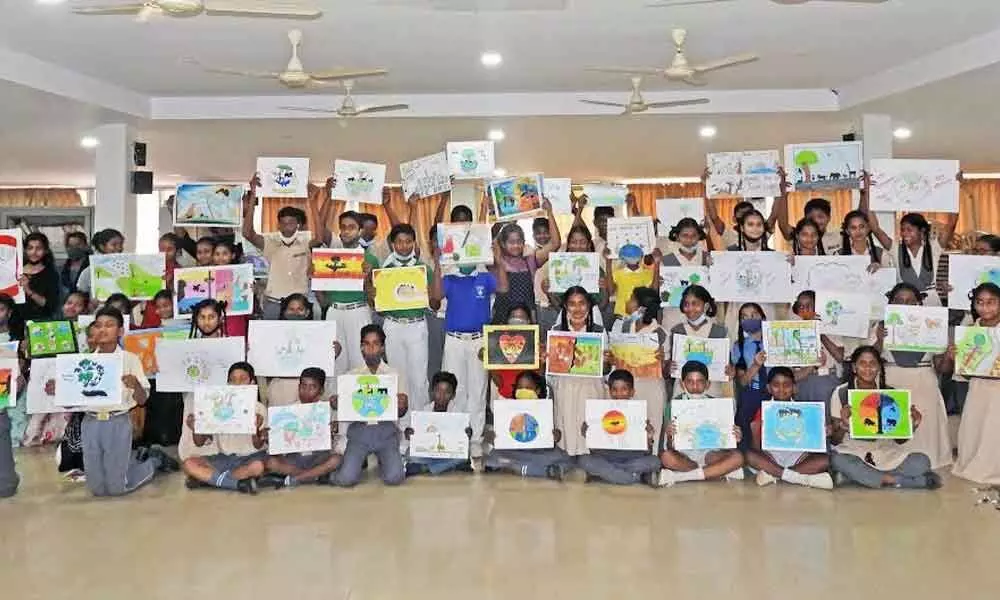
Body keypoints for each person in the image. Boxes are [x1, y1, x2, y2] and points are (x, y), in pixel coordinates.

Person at [44, 307, 178, 496]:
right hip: (90, 422)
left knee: (116, 488)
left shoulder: (129, 359)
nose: (103, 330)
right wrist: (58, 391)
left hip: (118, 421)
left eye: (109, 325)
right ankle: (131, 462)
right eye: (98, 325)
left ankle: (153, 462)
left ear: (120, 331)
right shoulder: (85, 362)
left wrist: (136, 385)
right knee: (97, 490)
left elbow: (142, 400)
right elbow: (71, 403)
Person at [432, 239, 506, 460]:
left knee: (478, 389)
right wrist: (438, 263)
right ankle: (456, 434)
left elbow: (503, 287)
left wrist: (498, 260)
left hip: (478, 340)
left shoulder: (484, 276)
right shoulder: (451, 278)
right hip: (454, 339)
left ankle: (474, 439)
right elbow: (435, 296)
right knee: (455, 389)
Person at [829, 346, 941, 490]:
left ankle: (859, 477)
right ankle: (897, 480)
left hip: (885, 452)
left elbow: (899, 441)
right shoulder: (841, 393)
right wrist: (843, 426)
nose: (868, 368)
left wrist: (913, 425)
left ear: (879, 368)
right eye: (862, 363)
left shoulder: (891, 394)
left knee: (922, 461)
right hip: (854, 451)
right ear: (854, 368)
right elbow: (835, 440)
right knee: (837, 459)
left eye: (873, 363)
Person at [869, 283, 953, 469]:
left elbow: (943, 369)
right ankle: (893, 464)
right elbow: (868, 360)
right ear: (890, 303)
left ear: (919, 304)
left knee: (924, 427)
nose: (904, 304)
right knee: (895, 425)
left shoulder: (932, 325)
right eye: (898, 300)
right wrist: (880, 340)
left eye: (910, 301)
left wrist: (948, 355)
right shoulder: (880, 326)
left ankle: (927, 463)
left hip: (923, 381)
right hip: (892, 381)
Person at [372, 223, 438, 413]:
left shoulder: (422, 269)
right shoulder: (385, 269)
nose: (404, 246)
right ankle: (400, 425)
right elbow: (381, 308)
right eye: (399, 242)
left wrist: (427, 293)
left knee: (418, 378)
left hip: (416, 325)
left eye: (408, 241)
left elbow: (435, 303)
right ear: (392, 244)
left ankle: (420, 421)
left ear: (414, 243)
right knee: (397, 376)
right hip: (392, 325)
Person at [241, 176, 328, 320]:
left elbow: (319, 238)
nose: (287, 226)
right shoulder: (270, 240)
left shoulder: (306, 239)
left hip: (300, 305)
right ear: (278, 225)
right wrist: (253, 195)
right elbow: (247, 233)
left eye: (291, 222)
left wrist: (312, 201)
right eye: (283, 223)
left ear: (298, 224)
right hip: (274, 303)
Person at [332, 324, 408, 487]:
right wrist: (338, 403)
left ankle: (385, 459)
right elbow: (345, 408)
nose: (371, 348)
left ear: (382, 348)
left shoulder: (394, 375)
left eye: (375, 344)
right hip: (360, 431)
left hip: (385, 431)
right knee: (346, 480)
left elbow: (401, 412)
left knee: (394, 478)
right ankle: (350, 464)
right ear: (361, 348)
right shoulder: (351, 376)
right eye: (366, 344)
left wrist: (402, 405)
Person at [180, 362, 267, 494]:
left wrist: (255, 429)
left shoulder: (259, 408)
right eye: (232, 380)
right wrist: (195, 427)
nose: (237, 384)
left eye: (242, 379)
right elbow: (200, 442)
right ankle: (237, 483)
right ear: (227, 384)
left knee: (258, 467)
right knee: (188, 464)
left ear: (252, 383)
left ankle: (210, 480)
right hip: (223, 458)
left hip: (250, 457)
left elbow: (258, 445)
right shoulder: (217, 406)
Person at [657, 361, 745, 487]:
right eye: (690, 381)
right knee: (666, 457)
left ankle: (680, 477)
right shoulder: (673, 406)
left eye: (700, 381)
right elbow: (669, 447)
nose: (695, 386)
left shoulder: (717, 404)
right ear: (682, 384)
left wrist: (735, 436)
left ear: (708, 384)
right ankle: (716, 471)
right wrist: (670, 435)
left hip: (710, 455)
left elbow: (726, 443)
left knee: (738, 457)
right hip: (685, 456)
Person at [746, 367, 833, 490]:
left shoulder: (806, 410)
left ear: (794, 388)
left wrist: (821, 433)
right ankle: (798, 478)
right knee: (750, 455)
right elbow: (756, 449)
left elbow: (812, 445)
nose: (781, 389)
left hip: (798, 456)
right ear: (769, 388)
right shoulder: (763, 410)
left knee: (825, 460)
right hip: (771, 457)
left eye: (786, 385)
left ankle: (776, 475)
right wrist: (755, 432)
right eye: (776, 385)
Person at [549, 287, 609, 457]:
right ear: (566, 307)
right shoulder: (557, 330)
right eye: (572, 304)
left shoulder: (598, 331)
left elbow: (605, 370)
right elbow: (551, 368)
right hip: (565, 386)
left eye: (582, 303)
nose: (577, 309)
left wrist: (606, 362)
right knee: (566, 424)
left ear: (589, 306)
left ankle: (588, 460)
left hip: (590, 387)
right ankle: (566, 458)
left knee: (587, 428)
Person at [577, 369, 661, 485]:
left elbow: (647, 451)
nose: (619, 394)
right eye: (614, 390)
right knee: (584, 460)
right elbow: (593, 448)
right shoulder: (600, 411)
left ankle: (608, 474)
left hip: (632, 458)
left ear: (632, 392)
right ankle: (634, 477)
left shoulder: (638, 412)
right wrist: (587, 432)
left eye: (624, 389)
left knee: (655, 461)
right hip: (606, 457)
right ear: (610, 391)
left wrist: (649, 438)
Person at [262, 368, 342, 487]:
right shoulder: (289, 410)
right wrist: (272, 436)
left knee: (337, 459)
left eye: (312, 387)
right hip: (295, 458)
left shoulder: (327, 410)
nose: (306, 391)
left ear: (321, 390)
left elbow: (335, 441)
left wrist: (332, 431)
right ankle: (313, 476)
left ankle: (297, 478)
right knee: (270, 462)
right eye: (303, 386)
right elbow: (281, 441)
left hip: (318, 457)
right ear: (298, 387)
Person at [953, 282, 1000, 484]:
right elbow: (965, 372)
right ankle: (972, 463)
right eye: (980, 302)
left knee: (994, 428)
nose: (985, 307)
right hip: (978, 387)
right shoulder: (971, 329)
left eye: (991, 302)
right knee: (975, 425)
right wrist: (956, 356)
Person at [483, 371, 570, 480]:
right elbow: (498, 437)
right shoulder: (507, 409)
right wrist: (492, 437)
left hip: (539, 452)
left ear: (537, 390)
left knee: (564, 457)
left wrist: (555, 436)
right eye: (520, 387)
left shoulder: (545, 408)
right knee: (491, 457)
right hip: (514, 451)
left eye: (528, 388)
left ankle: (516, 468)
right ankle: (538, 470)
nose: (523, 391)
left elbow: (553, 436)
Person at [323, 211, 379, 375]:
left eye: (352, 227)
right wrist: (316, 276)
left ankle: (359, 399)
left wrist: (368, 278)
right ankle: (335, 399)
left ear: (360, 231)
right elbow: (323, 299)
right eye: (343, 227)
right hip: (334, 312)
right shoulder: (329, 258)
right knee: (333, 362)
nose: (347, 231)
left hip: (358, 312)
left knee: (360, 362)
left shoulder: (370, 259)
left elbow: (375, 300)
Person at [611, 286, 668, 445]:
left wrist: (663, 359)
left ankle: (651, 459)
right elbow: (614, 355)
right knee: (627, 423)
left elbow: (667, 368)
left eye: (631, 299)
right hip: (625, 386)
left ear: (641, 308)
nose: (627, 302)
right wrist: (611, 357)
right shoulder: (621, 326)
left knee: (652, 424)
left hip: (650, 386)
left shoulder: (660, 333)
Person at [538, 225, 608, 331]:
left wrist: (604, 288)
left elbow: (602, 305)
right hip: (566, 323)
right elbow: (558, 306)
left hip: (593, 324)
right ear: (568, 244)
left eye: (582, 242)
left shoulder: (596, 269)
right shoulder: (560, 267)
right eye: (574, 242)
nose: (578, 246)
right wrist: (548, 292)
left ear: (589, 245)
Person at [403, 372, 474, 476]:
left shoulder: (458, 413)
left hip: (448, 452)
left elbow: (465, 437)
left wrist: (468, 433)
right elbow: (413, 436)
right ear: (432, 392)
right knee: (410, 454)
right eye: (438, 391)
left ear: (453, 395)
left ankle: (427, 468)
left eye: (447, 392)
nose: (442, 396)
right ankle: (448, 466)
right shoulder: (423, 412)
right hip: (429, 452)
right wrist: (409, 433)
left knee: (464, 455)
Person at [665, 285, 730, 398]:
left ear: (706, 306)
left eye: (695, 304)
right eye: (686, 304)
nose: (690, 308)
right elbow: (667, 370)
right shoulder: (677, 331)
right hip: (682, 392)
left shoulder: (720, 332)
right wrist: (669, 367)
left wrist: (730, 371)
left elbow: (728, 370)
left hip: (712, 392)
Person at [789, 290, 845, 406]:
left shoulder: (831, 327)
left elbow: (840, 357)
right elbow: (792, 372)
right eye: (801, 306)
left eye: (809, 305)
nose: (805, 309)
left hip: (826, 382)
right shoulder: (793, 332)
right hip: (802, 383)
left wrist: (820, 332)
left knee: (827, 422)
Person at [659, 218, 709, 331]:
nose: (689, 239)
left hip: (700, 315)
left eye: (694, 236)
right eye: (685, 235)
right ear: (677, 236)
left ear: (699, 236)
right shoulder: (666, 260)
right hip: (674, 315)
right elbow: (663, 288)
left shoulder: (708, 258)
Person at [896, 213, 956, 306]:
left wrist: (952, 201)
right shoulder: (896, 249)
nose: (904, 233)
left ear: (922, 231)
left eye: (909, 230)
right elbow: (876, 229)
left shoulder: (934, 247)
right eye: (902, 230)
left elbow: (951, 224)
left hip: (930, 301)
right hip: (905, 302)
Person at [731, 302, 768, 447]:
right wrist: (756, 365)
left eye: (754, 315)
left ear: (763, 318)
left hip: (775, 395)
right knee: (747, 441)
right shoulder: (738, 346)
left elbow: (791, 377)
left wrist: (812, 366)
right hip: (750, 395)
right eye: (744, 317)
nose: (749, 319)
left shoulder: (777, 341)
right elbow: (742, 381)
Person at [608, 242, 656, 322]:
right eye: (628, 255)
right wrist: (608, 263)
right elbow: (611, 291)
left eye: (634, 255)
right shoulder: (617, 273)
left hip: (642, 317)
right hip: (621, 316)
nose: (632, 258)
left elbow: (653, 292)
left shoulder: (649, 274)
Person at [19, 232, 60, 321]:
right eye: (30, 248)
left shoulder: (51, 274)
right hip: (14, 321)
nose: (34, 252)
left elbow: (50, 305)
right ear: (25, 250)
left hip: (40, 322)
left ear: (46, 251)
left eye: (39, 248)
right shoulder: (16, 270)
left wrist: (28, 290)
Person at [75, 228, 125, 299]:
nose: (119, 248)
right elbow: (81, 295)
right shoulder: (89, 271)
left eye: (121, 244)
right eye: (114, 244)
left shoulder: (127, 268)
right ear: (102, 247)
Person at [60, 231, 90, 297]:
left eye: (78, 245)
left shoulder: (91, 265)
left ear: (85, 245)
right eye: (71, 245)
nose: (74, 248)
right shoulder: (64, 266)